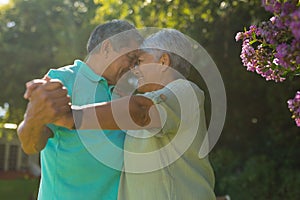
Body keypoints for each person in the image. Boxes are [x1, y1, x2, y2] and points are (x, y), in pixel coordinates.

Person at [25, 29, 216, 199]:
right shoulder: (128, 98)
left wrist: (72, 118)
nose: (134, 69)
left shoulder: (185, 92)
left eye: (139, 61)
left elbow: (140, 110)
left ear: (163, 61)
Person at [17, 20, 143, 200]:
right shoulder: (62, 80)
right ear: (106, 48)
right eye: (131, 58)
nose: (133, 68)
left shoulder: (123, 94)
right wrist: (32, 119)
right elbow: (31, 145)